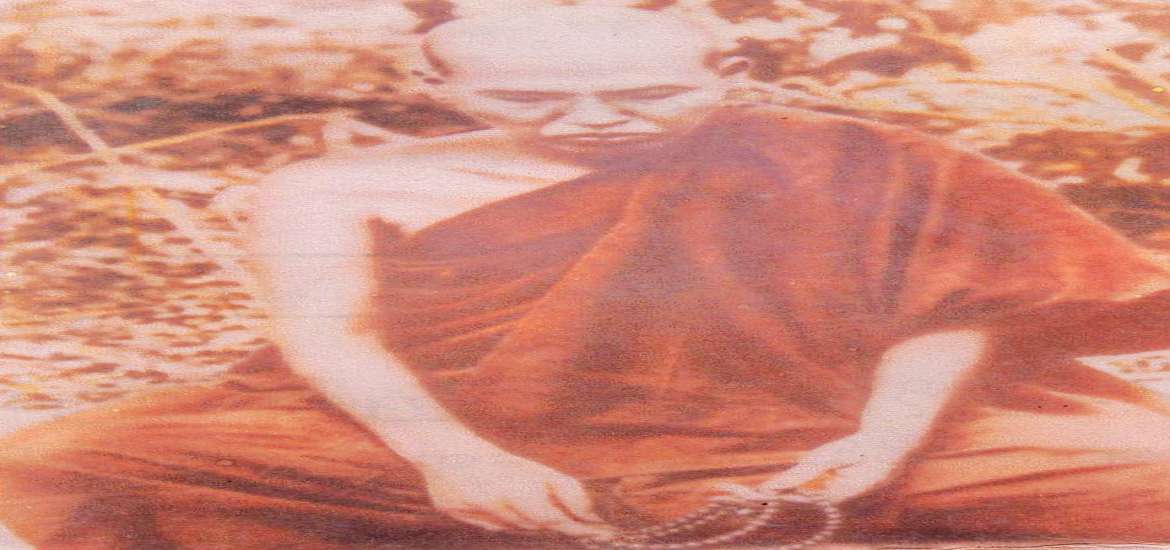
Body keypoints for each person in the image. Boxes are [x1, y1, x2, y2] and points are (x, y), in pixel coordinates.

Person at [4, 5, 1170, 549]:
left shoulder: (853, 156)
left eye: (648, 93)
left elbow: (949, 304)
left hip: (817, 413)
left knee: (1148, 473)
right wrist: (456, 456)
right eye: (529, 97)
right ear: (436, 83)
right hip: (474, 421)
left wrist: (885, 440)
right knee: (68, 456)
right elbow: (332, 337)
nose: (593, 120)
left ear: (730, 67)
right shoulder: (333, 185)